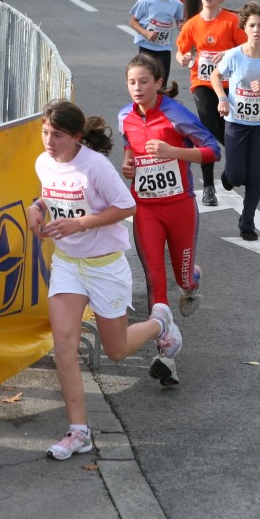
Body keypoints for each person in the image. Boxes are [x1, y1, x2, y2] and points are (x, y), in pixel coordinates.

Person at [29, 100, 184, 454]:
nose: (49, 141)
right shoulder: (43, 162)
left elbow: (127, 205)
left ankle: (159, 323)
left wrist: (81, 223)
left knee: (116, 350)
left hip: (105, 267)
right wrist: (36, 207)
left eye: (57, 135)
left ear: (76, 137)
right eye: (45, 132)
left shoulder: (95, 166)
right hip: (68, 264)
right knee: (63, 346)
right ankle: (78, 431)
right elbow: (50, 194)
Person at [118, 55, 221, 346]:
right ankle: (165, 348)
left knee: (182, 278)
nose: (137, 88)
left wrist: (172, 152)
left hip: (179, 207)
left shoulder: (176, 114)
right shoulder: (125, 116)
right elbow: (129, 144)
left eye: (143, 81)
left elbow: (213, 150)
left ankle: (192, 281)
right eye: (131, 82)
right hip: (145, 208)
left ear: (158, 83)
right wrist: (128, 163)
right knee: (154, 279)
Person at [209, 3, 260, 241]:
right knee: (237, 175)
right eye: (252, 25)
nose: (256, 30)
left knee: (256, 175)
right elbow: (215, 75)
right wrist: (222, 98)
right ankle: (228, 177)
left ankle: (247, 221)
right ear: (245, 28)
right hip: (236, 122)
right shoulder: (234, 55)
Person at [174, 0, 247, 206]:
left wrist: (226, 54)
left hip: (230, 85)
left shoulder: (231, 21)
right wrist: (183, 58)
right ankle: (208, 187)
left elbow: (247, 47)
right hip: (202, 84)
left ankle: (232, 169)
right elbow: (181, 51)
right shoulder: (192, 24)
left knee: (228, 130)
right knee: (207, 130)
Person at [128, 0, 185, 87]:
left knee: (161, 82)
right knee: (145, 79)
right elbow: (133, 22)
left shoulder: (176, 4)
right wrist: (146, 33)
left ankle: (160, 98)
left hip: (164, 47)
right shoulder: (145, 1)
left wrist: (181, 25)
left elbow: (180, 22)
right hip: (146, 46)